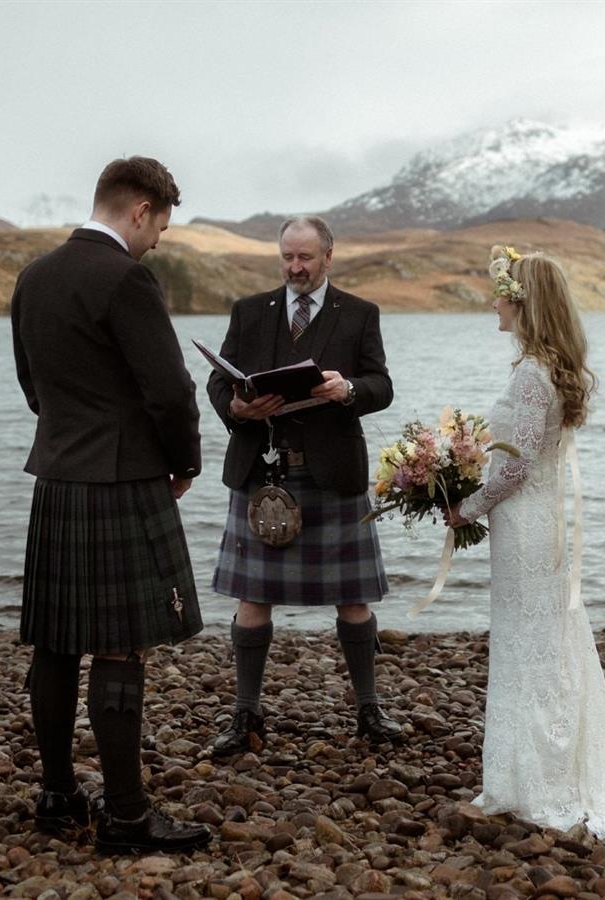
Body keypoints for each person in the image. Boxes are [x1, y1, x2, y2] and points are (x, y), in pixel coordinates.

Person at [10, 156, 211, 854]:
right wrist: (183, 459)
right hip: (122, 481)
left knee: (57, 643)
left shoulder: (34, 276)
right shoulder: (127, 278)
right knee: (121, 646)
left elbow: (31, 383)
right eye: (159, 225)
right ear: (138, 211)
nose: (158, 239)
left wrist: (72, 433)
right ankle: (126, 817)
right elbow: (169, 391)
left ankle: (58, 794)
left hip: (59, 478)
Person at [445, 246, 605, 841]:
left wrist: (465, 506)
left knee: (528, 645)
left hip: (525, 524)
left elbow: (516, 467)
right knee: (545, 642)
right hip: (542, 521)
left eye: (500, 292)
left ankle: (537, 781)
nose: (493, 301)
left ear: (522, 301)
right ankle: (539, 769)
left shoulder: (529, 372)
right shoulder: (550, 368)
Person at [205, 215, 402, 755]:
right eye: (287, 257)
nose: (295, 267)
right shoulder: (250, 311)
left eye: (305, 258)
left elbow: (381, 385)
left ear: (328, 257)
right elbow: (219, 379)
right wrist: (237, 407)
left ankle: (369, 710)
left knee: (354, 597)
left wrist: (349, 389)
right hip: (262, 470)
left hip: (332, 474)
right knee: (252, 595)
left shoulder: (360, 314)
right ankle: (246, 714)